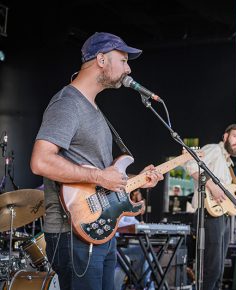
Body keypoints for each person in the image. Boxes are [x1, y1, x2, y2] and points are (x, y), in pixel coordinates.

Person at [30, 32, 163, 290]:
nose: (129, 67)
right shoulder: (67, 103)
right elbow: (41, 162)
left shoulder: (94, 110)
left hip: (100, 230)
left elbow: (100, 177)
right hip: (72, 233)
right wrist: (101, 177)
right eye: (123, 60)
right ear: (101, 59)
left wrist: (135, 179)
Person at [185, 124, 236, 290]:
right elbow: (191, 165)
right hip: (207, 215)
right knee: (211, 270)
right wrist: (212, 186)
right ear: (226, 137)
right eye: (235, 137)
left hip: (223, 217)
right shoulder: (214, 150)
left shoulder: (229, 166)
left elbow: (228, 202)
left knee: (219, 272)